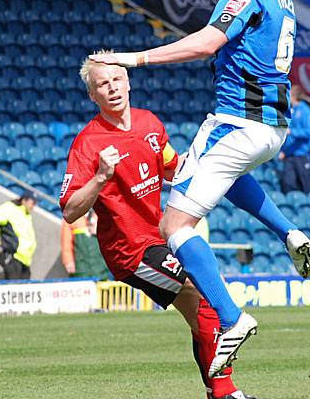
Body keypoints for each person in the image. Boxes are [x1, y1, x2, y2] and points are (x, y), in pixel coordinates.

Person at [90, 0, 310, 377]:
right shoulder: (285, 2)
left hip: (235, 122)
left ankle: (231, 317)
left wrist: (132, 58)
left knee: (174, 225)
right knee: (229, 177)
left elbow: (206, 43)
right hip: (273, 129)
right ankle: (289, 232)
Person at [60, 57, 256, 399]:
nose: (113, 87)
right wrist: (100, 177)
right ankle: (225, 392)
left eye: (117, 79)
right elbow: (70, 210)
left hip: (159, 239)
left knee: (202, 319)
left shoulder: (149, 123)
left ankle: (219, 392)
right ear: (92, 95)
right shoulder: (88, 144)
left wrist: (214, 174)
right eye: (102, 84)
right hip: (131, 251)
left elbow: (171, 167)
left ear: (128, 83)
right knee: (208, 298)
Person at [0, 190, 37, 280]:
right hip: (13, 256)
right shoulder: (10, 208)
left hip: (25, 260)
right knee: (13, 289)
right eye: (32, 202)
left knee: (24, 291)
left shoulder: (26, 215)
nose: (33, 206)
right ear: (24, 200)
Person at [279, 85, 310, 194]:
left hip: (302, 155)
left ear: (294, 96)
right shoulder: (290, 111)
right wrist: (284, 151)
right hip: (289, 155)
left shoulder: (306, 111)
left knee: (304, 186)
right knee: (287, 185)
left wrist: (292, 132)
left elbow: (309, 132)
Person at [61, 210, 110, 280]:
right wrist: (68, 261)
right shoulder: (71, 217)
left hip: (100, 266)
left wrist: (99, 229)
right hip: (80, 266)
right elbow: (66, 241)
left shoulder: (101, 214)